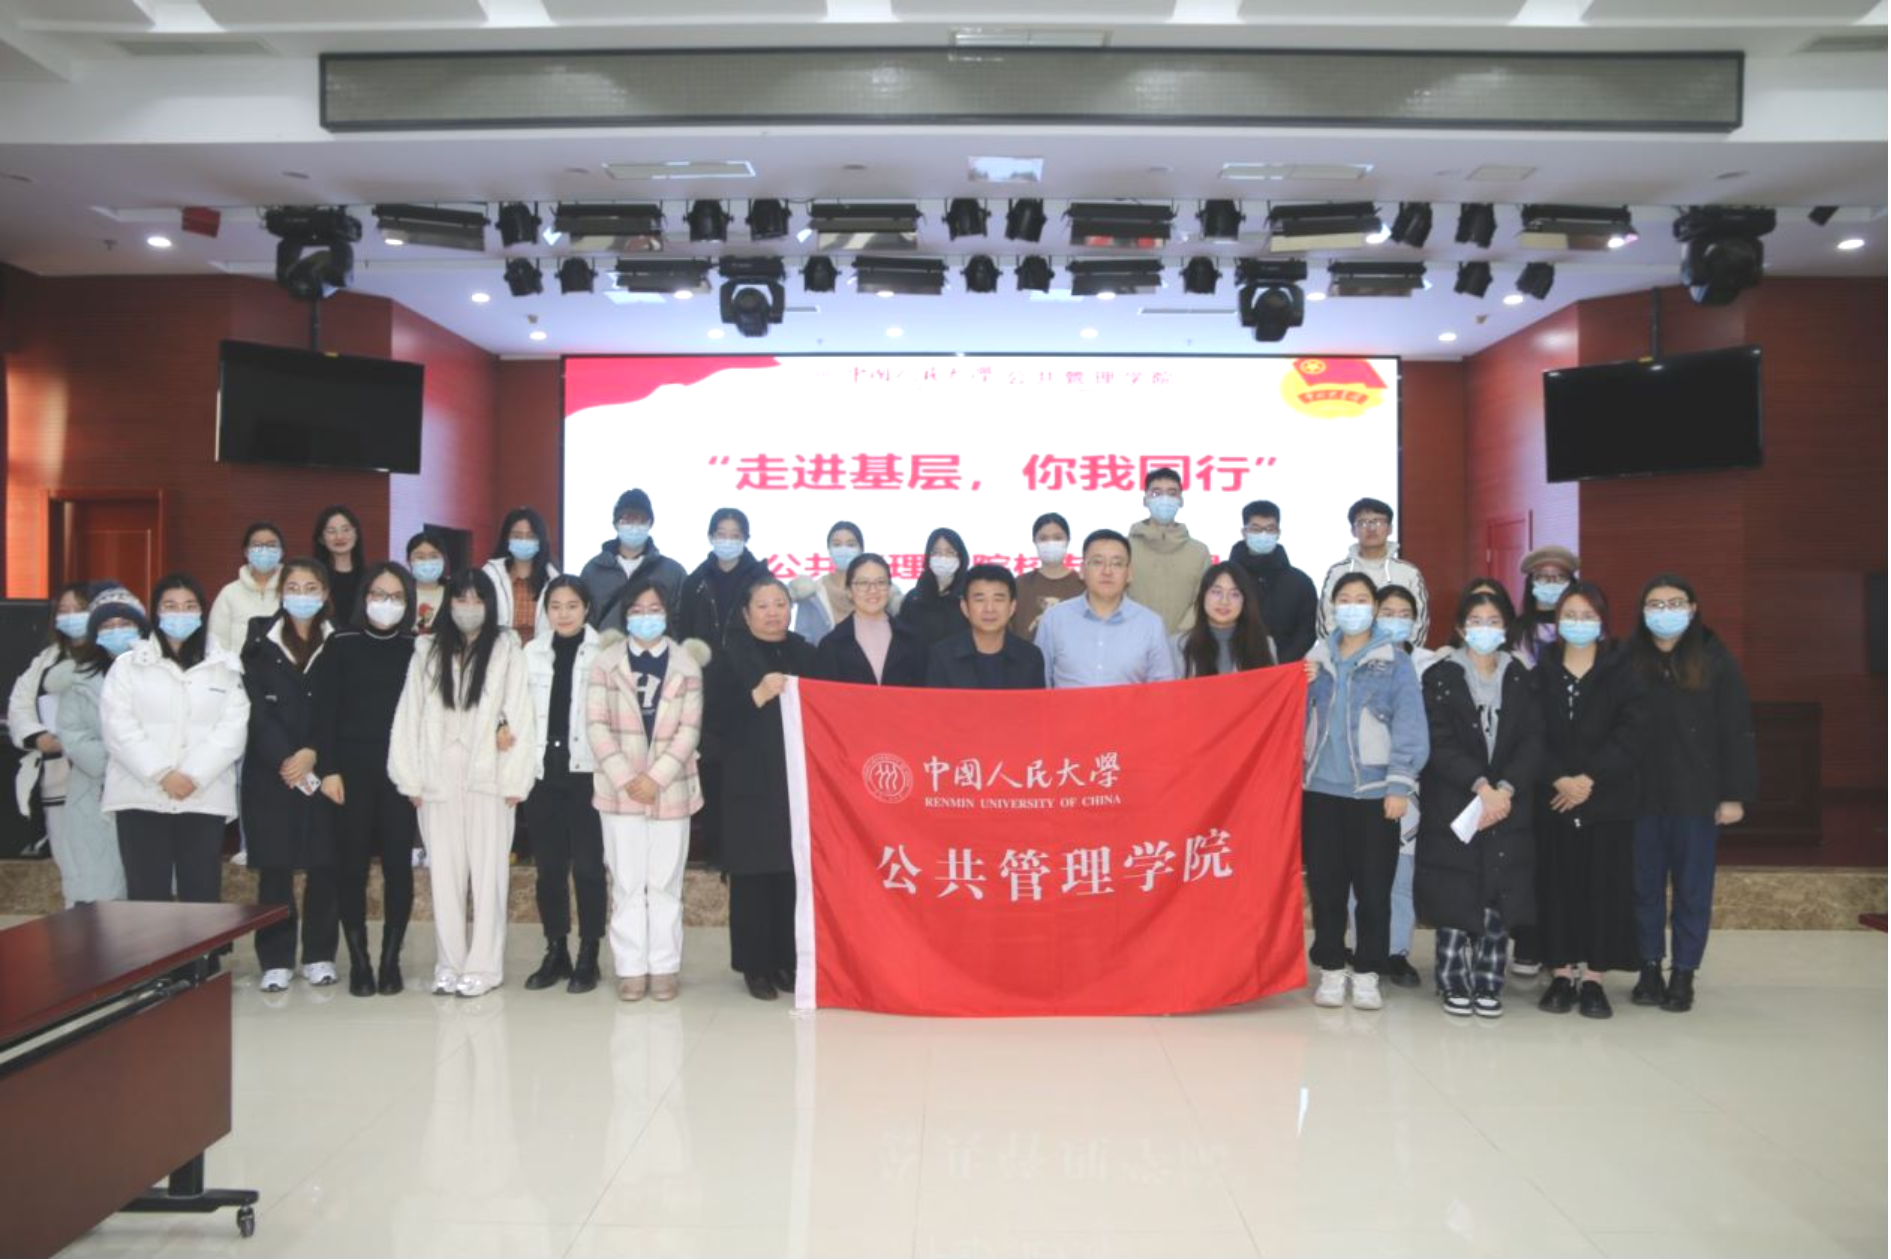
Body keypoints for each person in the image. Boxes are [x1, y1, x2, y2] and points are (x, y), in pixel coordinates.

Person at [389, 569, 536, 998]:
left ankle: (484, 966)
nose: (468, 608)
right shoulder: (426, 650)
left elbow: (520, 712)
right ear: (447, 604)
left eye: (477, 600)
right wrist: (409, 776)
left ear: (490, 605)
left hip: (490, 775)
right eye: (460, 599)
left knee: (489, 877)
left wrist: (516, 776)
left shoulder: (507, 650)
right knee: (445, 876)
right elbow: (409, 713)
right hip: (437, 776)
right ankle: (449, 962)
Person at [1629, 573, 1757, 1015]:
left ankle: (1683, 972)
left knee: (1692, 889)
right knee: (1642, 887)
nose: (1664, 612)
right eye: (1655, 604)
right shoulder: (1628, 659)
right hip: (1640, 797)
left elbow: (1736, 730)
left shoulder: (1715, 659)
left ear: (1693, 608)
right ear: (1642, 612)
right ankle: (1648, 966)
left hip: (1695, 797)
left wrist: (1733, 795)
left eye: (1675, 603)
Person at [1300, 572, 1428, 1010]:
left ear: (1373, 608)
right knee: (1327, 889)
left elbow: (1410, 726)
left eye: (1361, 599)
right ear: (1332, 607)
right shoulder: (1316, 657)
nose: (1352, 607)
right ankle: (1332, 969)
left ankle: (1369, 971)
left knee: (1374, 891)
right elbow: (1294, 721)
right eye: (1344, 599)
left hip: (1374, 795)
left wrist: (1399, 785)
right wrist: (1300, 686)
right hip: (1320, 792)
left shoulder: (1394, 660)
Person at [1416, 588, 1544, 1018]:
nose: (1484, 629)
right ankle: (1453, 978)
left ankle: (1489, 980)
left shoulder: (1521, 676)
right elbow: (1438, 740)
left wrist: (1505, 788)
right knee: (1455, 887)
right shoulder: (1439, 676)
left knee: (1498, 889)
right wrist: (1479, 785)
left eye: (1493, 622)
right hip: (1457, 798)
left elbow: (1533, 740)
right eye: (1475, 621)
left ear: (1506, 627)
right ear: (1459, 627)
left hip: (1507, 801)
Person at [587, 576, 708, 1002]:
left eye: (654, 610)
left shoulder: (686, 663)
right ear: (625, 616)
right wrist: (627, 778)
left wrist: (655, 778)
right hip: (618, 791)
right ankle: (631, 968)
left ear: (667, 614)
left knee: (664, 884)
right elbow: (596, 725)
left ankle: (664, 966)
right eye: (637, 611)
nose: (646, 618)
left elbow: (690, 729)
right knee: (625, 883)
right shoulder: (605, 663)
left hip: (670, 788)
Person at [1532, 581, 1647, 1020]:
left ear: (1602, 622)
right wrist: (1559, 779)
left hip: (1607, 800)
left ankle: (1595, 978)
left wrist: (1587, 778)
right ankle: (1561, 973)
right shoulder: (1540, 672)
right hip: (1553, 800)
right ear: (1557, 621)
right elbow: (1529, 733)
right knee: (1556, 886)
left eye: (1587, 616)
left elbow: (1632, 734)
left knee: (1605, 888)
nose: (1578, 623)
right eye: (1570, 615)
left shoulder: (1624, 671)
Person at [101, 573, 250, 904]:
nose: (180, 614)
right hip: (140, 795)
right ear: (156, 612)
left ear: (202, 612)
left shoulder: (225, 666)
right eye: (170, 606)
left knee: (201, 895)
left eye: (189, 606)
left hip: (203, 795)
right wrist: (162, 774)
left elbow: (233, 728)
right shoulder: (126, 666)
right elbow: (118, 726)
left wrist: (192, 775)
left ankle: (202, 946)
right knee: (147, 897)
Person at [312, 562, 421, 996]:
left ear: (408, 602)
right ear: (364, 597)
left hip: (401, 774)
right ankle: (359, 961)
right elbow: (324, 712)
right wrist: (328, 770)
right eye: (378, 594)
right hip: (348, 773)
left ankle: (390, 960)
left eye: (396, 596)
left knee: (398, 868)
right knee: (351, 867)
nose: (386, 603)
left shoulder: (418, 648)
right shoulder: (341, 644)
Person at [705, 577, 816, 1000]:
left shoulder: (806, 654)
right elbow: (713, 723)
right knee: (753, 877)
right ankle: (755, 967)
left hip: (797, 782)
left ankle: (786, 961)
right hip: (748, 782)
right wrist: (756, 695)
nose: (773, 613)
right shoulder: (727, 658)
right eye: (763, 606)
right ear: (746, 614)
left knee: (790, 873)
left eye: (780, 604)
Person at [240, 559, 340, 993]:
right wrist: (287, 758)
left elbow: (341, 707)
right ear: (281, 592)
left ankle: (319, 955)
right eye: (294, 586)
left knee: (324, 864)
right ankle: (276, 959)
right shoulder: (258, 643)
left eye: (311, 586)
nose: (302, 594)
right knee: (275, 867)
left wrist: (313, 752)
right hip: (273, 772)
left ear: (325, 593)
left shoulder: (338, 642)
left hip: (321, 768)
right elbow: (254, 709)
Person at [521, 577, 606, 995]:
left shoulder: (605, 654)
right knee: (549, 870)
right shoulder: (531, 653)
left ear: (587, 608)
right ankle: (556, 949)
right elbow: (515, 709)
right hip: (542, 772)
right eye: (555, 606)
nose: (564, 614)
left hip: (588, 772)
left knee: (588, 868)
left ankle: (590, 952)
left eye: (573, 605)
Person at [42, 588, 144, 906]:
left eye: (124, 624)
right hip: (93, 791)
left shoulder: (159, 673)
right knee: (97, 892)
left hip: (148, 789)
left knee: (146, 893)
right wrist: (116, 762)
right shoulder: (79, 679)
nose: (116, 632)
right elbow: (72, 733)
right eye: (107, 626)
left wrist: (142, 762)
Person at [1372, 585, 1436, 988]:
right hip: (1364, 781)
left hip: (1412, 783)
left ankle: (1396, 952)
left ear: (1416, 621)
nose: (1395, 620)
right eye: (1387, 612)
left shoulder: (1432, 664)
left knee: (1402, 873)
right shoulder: (1356, 657)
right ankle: (1365, 948)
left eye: (1404, 614)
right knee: (1364, 872)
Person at [9, 581, 93, 888]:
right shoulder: (47, 658)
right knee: (68, 865)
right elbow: (19, 704)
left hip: (102, 777)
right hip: (57, 776)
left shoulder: (114, 655)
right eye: (64, 610)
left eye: (79, 609)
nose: (71, 616)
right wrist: (38, 737)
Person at [1034, 530, 1175, 689]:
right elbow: (1039, 686)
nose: (1107, 571)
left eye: (1117, 563)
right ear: (1082, 570)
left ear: (1129, 573)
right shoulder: (1054, 619)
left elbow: (1163, 691)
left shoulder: (1151, 625)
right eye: (1097, 562)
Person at [1318, 497, 1430, 644]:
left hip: (1398, 656)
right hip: (1346, 656)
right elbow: (1326, 621)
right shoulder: (1337, 572)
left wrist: (1402, 656)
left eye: (1378, 521)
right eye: (1363, 522)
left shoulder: (1409, 572)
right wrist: (1342, 654)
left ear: (1390, 529)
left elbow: (1419, 622)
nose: (1371, 528)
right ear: (1353, 531)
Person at [578, 488, 688, 630]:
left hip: (656, 644)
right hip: (603, 644)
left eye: (641, 520)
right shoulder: (593, 570)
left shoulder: (673, 572)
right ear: (615, 524)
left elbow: (682, 620)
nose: (634, 527)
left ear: (650, 524)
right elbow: (582, 618)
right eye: (627, 520)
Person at [927, 564, 1046, 690]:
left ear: (1012, 607)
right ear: (965, 607)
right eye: (980, 599)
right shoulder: (942, 656)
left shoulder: (1031, 657)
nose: (989, 609)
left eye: (998, 599)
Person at [815, 553, 928, 686]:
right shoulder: (831, 644)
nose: (873, 590)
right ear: (849, 591)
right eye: (863, 583)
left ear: (889, 588)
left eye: (880, 582)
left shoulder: (913, 640)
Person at [1229, 500, 1319, 662]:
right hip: (1231, 667)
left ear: (1278, 533)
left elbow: (1308, 630)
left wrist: (1280, 664)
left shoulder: (1300, 582)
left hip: (1283, 670)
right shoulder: (1226, 578)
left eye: (1270, 529)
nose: (1263, 534)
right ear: (1244, 532)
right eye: (1256, 529)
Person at [1127, 467, 1211, 635]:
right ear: (1145, 500)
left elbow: (1203, 598)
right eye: (1156, 493)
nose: (1164, 499)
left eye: (1172, 493)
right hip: (1133, 638)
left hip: (1184, 643)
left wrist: (1181, 635)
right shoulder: (1125, 549)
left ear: (1181, 500)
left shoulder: (1199, 552)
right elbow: (1116, 595)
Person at [791, 520, 903, 646]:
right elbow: (803, 641)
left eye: (851, 545)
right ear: (829, 549)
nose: (843, 550)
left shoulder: (881, 592)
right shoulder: (812, 593)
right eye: (837, 544)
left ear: (861, 549)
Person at [677, 507, 770, 649]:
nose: (728, 541)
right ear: (711, 537)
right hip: (704, 660)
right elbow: (685, 631)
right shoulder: (695, 581)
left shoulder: (761, 580)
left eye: (735, 536)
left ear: (745, 539)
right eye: (721, 535)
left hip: (752, 660)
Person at [1172, 562, 1276, 678]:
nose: (1224, 601)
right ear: (1203, 596)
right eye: (1217, 592)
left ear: (1244, 601)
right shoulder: (1177, 645)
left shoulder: (1265, 644)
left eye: (1234, 594)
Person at [482, 506, 559, 647]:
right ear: (506, 538)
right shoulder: (490, 575)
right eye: (517, 536)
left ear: (540, 540)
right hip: (499, 654)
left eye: (531, 536)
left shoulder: (553, 578)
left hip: (541, 656)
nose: (524, 541)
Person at [209, 521, 286, 654]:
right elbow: (216, 643)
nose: (264, 550)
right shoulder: (230, 593)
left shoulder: (292, 592)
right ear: (246, 552)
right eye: (257, 545)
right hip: (237, 667)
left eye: (271, 545)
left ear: (282, 552)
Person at [1011, 513, 1086, 640]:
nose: (1051, 543)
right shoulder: (1019, 584)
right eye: (1043, 538)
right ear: (1034, 542)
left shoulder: (1084, 585)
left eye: (1057, 538)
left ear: (1068, 541)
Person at [897, 527, 972, 648]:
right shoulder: (913, 598)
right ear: (928, 557)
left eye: (950, 552)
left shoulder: (970, 597)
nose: (943, 558)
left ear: (961, 557)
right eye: (936, 553)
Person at [1514, 546, 1580, 665]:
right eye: (1542, 577)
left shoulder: (1583, 625)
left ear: (1571, 583)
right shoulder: (1517, 629)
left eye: (1560, 577)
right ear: (1531, 583)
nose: (1551, 583)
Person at [313, 505, 367, 626]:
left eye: (346, 530)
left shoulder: (369, 576)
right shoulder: (314, 577)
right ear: (321, 538)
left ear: (356, 534)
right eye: (331, 531)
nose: (339, 537)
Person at [406, 530, 450, 634]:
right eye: (420, 557)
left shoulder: (453, 592)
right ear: (409, 561)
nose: (427, 562)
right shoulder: (401, 592)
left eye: (434, 556)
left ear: (443, 559)